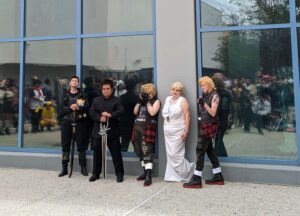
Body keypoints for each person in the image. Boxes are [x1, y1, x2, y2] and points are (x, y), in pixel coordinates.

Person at [183, 76, 224, 189]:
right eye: (201, 85)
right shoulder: (206, 96)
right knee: (210, 151)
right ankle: (218, 176)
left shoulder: (215, 96)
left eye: (204, 85)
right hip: (204, 125)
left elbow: (213, 113)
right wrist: (202, 103)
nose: (202, 87)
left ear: (209, 85)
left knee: (200, 150)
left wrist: (203, 103)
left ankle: (197, 179)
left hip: (209, 125)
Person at [89, 79, 125, 183]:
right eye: (104, 89)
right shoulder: (96, 100)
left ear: (112, 89)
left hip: (112, 131)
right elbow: (91, 112)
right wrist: (99, 117)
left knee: (116, 154)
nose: (106, 91)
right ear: (101, 89)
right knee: (97, 154)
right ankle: (95, 174)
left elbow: (121, 111)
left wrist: (111, 115)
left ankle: (119, 174)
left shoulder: (117, 100)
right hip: (98, 131)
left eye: (108, 89)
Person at [162, 82, 194, 182]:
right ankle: (172, 176)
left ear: (180, 92)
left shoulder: (182, 101)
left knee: (175, 154)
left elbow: (188, 116)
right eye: (173, 89)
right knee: (169, 154)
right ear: (171, 90)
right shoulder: (167, 99)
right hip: (167, 130)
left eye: (177, 90)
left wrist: (186, 131)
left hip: (178, 131)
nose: (175, 92)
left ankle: (189, 172)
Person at [58, 75, 89, 177]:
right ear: (70, 83)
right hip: (67, 122)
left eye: (76, 81)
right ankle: (64, 168)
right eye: (73, 81)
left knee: (81, 145)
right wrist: (70, 108)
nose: (75, 82)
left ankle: (83, 167)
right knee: (65, 145)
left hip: (79, 122)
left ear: (78, 83)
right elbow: (61, 109)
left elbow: (86, 107)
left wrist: (78, 107)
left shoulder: (82, 94)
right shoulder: (65, 95)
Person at [133, 83, 160, 187]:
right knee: (139, 150)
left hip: (147, 128)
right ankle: (145, 172)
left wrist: (148, 102)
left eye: (146, 92)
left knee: (146, 151)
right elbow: (135, 112)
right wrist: (139, 102)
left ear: (151, 92)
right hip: (137, 127)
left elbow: (153, 113)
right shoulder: (142, 102)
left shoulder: (156, 101)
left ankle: (149, 176)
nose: (144, 94)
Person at [211, 75, 232, 157]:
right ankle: (223, 157)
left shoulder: (223, 95)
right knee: (218, 141)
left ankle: (218, 159)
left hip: (220, 122)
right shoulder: (220, 94)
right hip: (220, 121)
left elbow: (224, 109)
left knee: (218, 141)